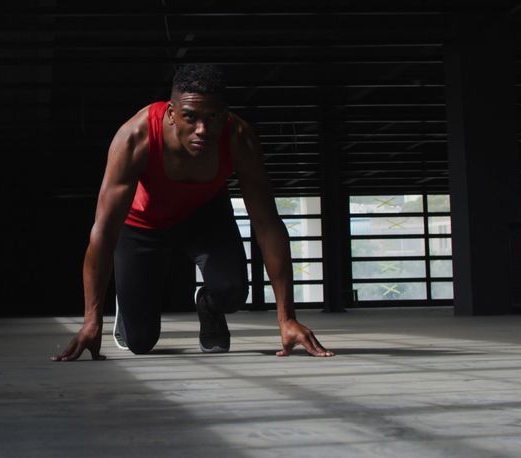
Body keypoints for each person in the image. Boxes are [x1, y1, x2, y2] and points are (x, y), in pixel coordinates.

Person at [52, 64, 333, 361]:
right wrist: (91, 321)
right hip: (143, 223)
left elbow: (267, 224)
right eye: (190, 116)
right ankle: (130, 305)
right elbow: (104, 231)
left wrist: (286, 317)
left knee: (233, 292)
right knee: (141, 341)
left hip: (204, 213)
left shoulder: (239, 137)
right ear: (172, 113)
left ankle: (209, 305)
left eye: (213, 117)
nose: (203, 129)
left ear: (225, 114)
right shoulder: (135, 137)